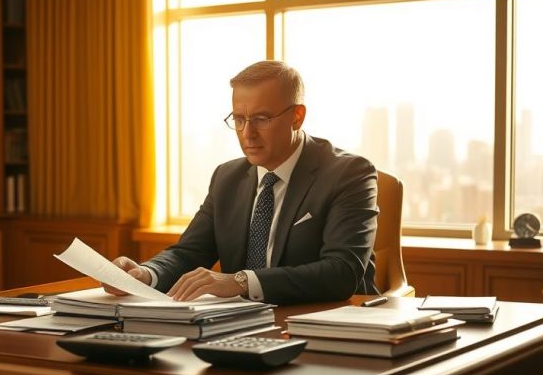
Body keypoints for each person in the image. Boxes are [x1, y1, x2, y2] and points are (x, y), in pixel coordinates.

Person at [109, 60, 379, 304]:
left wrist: (240, 282)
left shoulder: (350, 173)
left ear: (297, 117)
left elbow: (341, 272)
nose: (247, 133)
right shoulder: (227, 177)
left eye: (261, 119)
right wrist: (145, 273)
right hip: (239, 325)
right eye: (239, 119)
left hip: (328, 324)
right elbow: (188, 253)